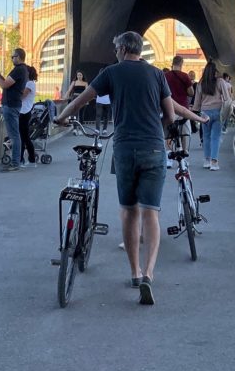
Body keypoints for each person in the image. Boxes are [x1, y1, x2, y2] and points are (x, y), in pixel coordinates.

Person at [55, 31, 175, 307]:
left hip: (124, 148)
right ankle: (148, 273)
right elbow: (169, 114)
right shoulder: (157, 75)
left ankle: (133, 273)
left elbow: (80, 101)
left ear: (122, 49)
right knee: (151, 213)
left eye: (116, 49)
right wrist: (161, 132)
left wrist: (61, 117)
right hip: (154, 148)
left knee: (129, 212)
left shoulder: (112, 73)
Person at [0, 47, 29, 173]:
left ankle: (15, 163)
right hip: (14, 104)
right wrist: (1, 76)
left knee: (14, 136)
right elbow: (8, 83)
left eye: (12, 56)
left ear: (18, 57)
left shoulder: (19, 69)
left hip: (11, 105)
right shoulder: (23, 70)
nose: (11, 58)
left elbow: (4, 84)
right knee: (15, 135)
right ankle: (16, 161)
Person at [193, 62, 231, 170]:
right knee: (215, 137)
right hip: (218, 112)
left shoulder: (201, 83)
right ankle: (214, 162)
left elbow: (197, 101)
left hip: (204, 113)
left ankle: (207, 160)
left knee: (206, 137)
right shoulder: (220, 82)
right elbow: (227, 98)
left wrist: (195, 112)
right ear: (215, 71)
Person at [163, 55, 194, 164]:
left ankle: (168, 157)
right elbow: (191, 92)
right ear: (181, 64)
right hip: (182, 108)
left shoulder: (165, 76)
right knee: (185, 133)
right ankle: (184, 155)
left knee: (168, 132)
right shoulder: (185, 76)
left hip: (169, 108)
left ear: (172, 63)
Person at [18, 65, 38, 166]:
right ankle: (31, 158)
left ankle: (21, 159)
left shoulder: (30, 83)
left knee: (22, 137)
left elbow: (22, 96)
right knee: (25, 137)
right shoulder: (30, 83)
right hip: (25, 111)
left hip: (24, 112)